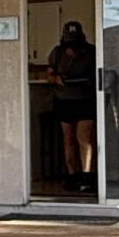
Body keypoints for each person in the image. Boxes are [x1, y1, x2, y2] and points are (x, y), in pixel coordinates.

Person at [50, 21, 97, 193]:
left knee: (84, 138)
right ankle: (72, 176)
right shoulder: (57, 52)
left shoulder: (91, 51)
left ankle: (88, 176)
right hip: (64, 99)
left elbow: (98, 73)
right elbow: (49, 74)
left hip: (85, 99)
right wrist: (56, 79)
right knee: (68, 139)